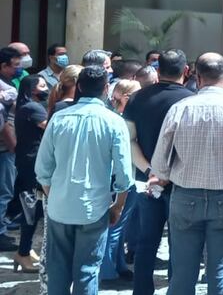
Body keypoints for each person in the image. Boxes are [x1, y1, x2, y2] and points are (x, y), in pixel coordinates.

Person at [150, 53, 223, 295]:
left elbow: (159, 164)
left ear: (196, 76)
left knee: (182, 275)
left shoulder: (179, 109)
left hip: (185, 196)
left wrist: (166, 178)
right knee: (221, 275)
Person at [35, 65, 133, 294]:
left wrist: (55, 194)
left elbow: (42, 169)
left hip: (60, 206)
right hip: (94, 207)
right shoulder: (114, 122)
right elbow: (124, 175)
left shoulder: (58, 119)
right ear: (106, 88)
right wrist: (118, 206)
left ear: (79, 87)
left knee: (57, 269)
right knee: (87, 271)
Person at [123, 49, 194, 295]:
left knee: (146, 243)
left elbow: (129, 140)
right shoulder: (191, 99)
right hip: (181, 183)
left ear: (157, 69)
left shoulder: (137, 98)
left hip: (147, 180)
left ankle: (141, 291)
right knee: (179, 244)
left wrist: (151, 169)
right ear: (186, 71)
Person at [99, 78, 142, 284]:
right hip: (122, 180)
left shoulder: (118, 116)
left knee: (120, 227)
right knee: (114, 227)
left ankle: (118, 265)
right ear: (127, 97)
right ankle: (107, 271)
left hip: (123, 178)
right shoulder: (119, 120)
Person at [12, 75, 48, 273]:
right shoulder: (33, 109)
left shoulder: (29, 106)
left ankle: (25, 249)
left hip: (29, 161)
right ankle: (23, 253)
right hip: (31, 163)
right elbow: (50, 127)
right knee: (31, 209)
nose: (45, 88)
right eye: (42, 86)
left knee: (34, 209)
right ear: (32, 89)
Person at [0, 46, 22, 252]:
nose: (17, 70)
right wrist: (14, 147)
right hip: (4, 150)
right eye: (14, 66)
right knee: (4, 192)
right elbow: (4, 126)